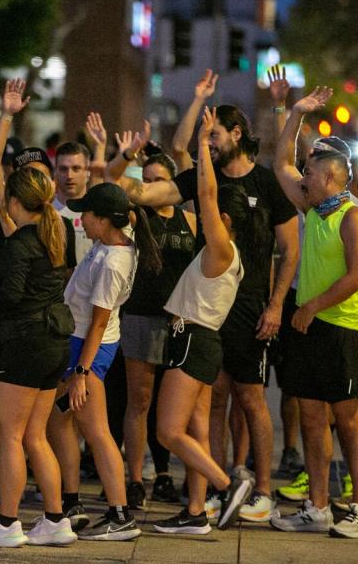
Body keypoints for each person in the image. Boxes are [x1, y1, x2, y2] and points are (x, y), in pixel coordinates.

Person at [107, 97, 299, 522]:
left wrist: (276, 304)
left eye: (215, 135)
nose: (209, 143)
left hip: (233, 313)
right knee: (202, 414)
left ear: (236, 134)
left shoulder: (252, 197)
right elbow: (139, 191)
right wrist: (124, 159)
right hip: (205, 321)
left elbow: (288, 248)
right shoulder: (203, 192)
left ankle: (246, 486)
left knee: (246, 402)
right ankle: (199, 507)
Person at [270, 87, 358, 538]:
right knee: (311, 418)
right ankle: (318, 506)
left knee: (348, 418)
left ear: (330, 176)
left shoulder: (353, 216)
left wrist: (310, 305)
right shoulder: (314, 207)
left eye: (310, 171)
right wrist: (294, 112)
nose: (303, 177)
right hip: (307, 326)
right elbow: (279, 165)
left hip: (338, 328)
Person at [152, 106, 257, 535]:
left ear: (225, 222)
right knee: (194, 428)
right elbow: (210, 199)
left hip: (193, 339)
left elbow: (209, 197)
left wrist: (202, 149)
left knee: (167, 431)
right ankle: (196, 511)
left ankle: (226, 485)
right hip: (197, 341)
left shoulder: (220, 249)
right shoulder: (230, 255)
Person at [0, 166, 77, 548]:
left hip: (25, 341)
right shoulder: (56, 235)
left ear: (15, 202)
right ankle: (55, 519)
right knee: (36, 436)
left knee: (10, 436)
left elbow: (11, 295)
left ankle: (8, 522)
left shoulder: (19, 244)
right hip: (54, 342)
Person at [47, 182, 161, 541]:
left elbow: (99, 320)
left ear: (104, 220)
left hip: (89, 347)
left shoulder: (114, 260)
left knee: (96, 432)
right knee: (58, 421)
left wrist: (82, 371)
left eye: (87, 215)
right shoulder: (109, 245)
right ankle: (71, 501)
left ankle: (119, 513)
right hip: (83, 341)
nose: (81, 220)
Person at [104, 141, 196, 509]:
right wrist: (126, 156)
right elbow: (110, 180)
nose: (153, 186)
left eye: (160, 179)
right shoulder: (135, 215)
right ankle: (135, 479)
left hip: (178, 321)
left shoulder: (191, 220)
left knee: (171, 406)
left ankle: (165, 475)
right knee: (139, 401)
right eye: (147, 180)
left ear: (173, 183)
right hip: (141, 315)